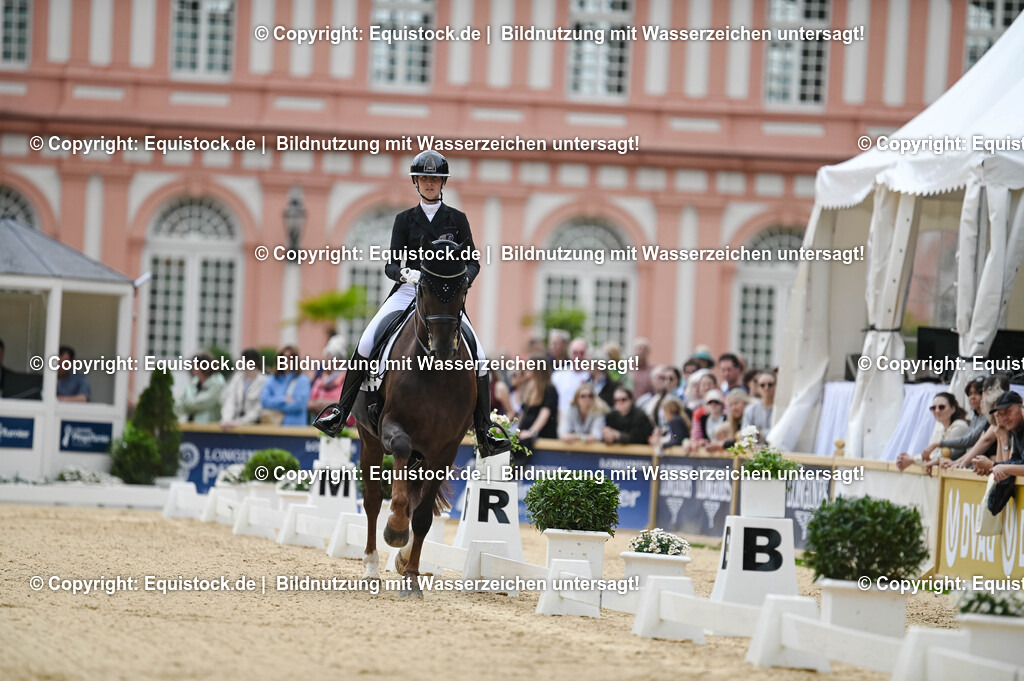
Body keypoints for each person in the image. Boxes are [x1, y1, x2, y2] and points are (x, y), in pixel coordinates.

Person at [311, 151, 508, 456]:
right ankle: (340, 411)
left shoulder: (457, 219)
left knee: (479, 357)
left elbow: (473, 263)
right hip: (408, 290)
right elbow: (391, 264)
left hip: (445, 298)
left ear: (442, 183)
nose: (429, 183)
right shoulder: (404, 219)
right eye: (424, 178)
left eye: (435, 179)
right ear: (417, 182)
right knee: (366, 341)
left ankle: (484, 432)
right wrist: (406, 274)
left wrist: (463, 281)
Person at [917, 378, 987, 464]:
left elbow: (967, 442)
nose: (972, 397)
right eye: (970, 394)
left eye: (941, 407)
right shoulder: (975, 417)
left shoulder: (961, 426)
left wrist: (938, 444)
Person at [896, 392, 970, 472]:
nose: (937, 411)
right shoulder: (940, 427)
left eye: (941, 407)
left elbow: (945, 457)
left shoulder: (960, 427)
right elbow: (931, 457)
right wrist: (912, 459)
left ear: (953, 409)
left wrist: (912, 459)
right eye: (933, 408)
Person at [971, 391, 1024, 480]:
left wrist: (992, 465)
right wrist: (993, 467)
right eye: (1000, 414)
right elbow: (1016, 462)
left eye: (1008, 412)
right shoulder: (1016, 430)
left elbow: (1011, 476)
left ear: (1021, 409)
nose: (1004, 418)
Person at [261, 345, 311, 426]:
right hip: (275, 428)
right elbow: (264, 401)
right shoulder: (272, 379)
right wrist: (283, 399)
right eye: (283, 357)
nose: (286, 360)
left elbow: (300, 404)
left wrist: (275, 405)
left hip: (296, 427)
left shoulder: (303, 380)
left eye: (290, 358)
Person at [518, 355, 559, 450]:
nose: (526, 369)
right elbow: (523, 413)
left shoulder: (549, 389)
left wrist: (532, 432)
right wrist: (517, 431)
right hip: (524, 436)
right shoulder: (529, 387)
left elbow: (545, 413)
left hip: (541, 438)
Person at [220, 348, 266, 428]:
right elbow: (230, 400)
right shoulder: (237, 378)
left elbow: (259, 408)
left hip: (254, 425)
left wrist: (240, 422)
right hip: (233, 423)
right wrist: (226, 419)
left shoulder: (264, 381)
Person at [307, 336, 347, 425]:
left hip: (339, 425)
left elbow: (344, 405)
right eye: (325, 358)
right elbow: (309, 403)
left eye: (329, 358)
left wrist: (321, 403)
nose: (325, 362)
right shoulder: (320, 380)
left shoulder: (345, 380)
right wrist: (330, 404)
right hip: (319, 423)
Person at [177, 352, 225, 423]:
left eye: (196, 364)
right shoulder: (193, 382)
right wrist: (187, 405)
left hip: (208, 427)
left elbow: (201, 404)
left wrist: (186, 405)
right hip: (189, 425)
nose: (192, 367)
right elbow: (178, 404)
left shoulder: (218, 383)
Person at [551, 337, 589, 417]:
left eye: (582, 353)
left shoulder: (591, 376)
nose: (578, 356)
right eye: (575, 353)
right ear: (570, 354)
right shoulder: (557, 376)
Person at [742, 371, 776, 439]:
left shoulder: (782, 409)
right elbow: (745, 433)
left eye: (770, 384)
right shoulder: (750, 409)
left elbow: (781, 433)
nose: (766, 388)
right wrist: (758, 435)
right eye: (762, 385)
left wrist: (762, 434)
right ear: (758, 388)